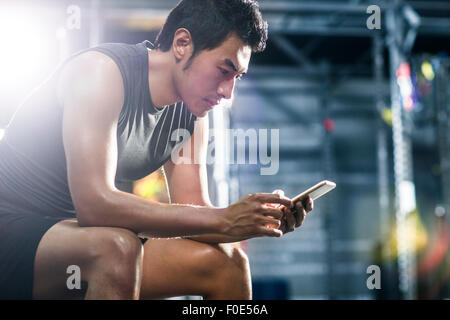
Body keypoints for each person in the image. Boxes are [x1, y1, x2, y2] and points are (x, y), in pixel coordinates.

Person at [0, 0, 313, 300]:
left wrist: (258, 220)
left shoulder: (193, 114)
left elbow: (194, 211)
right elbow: (94, 205)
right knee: (117, 247)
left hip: (82, 239)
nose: (228, 92)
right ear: (182, 44)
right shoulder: (99, 73)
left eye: (237, 78)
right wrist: (224, 219)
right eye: (224, 70)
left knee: (229, 264)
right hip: (13, 229)